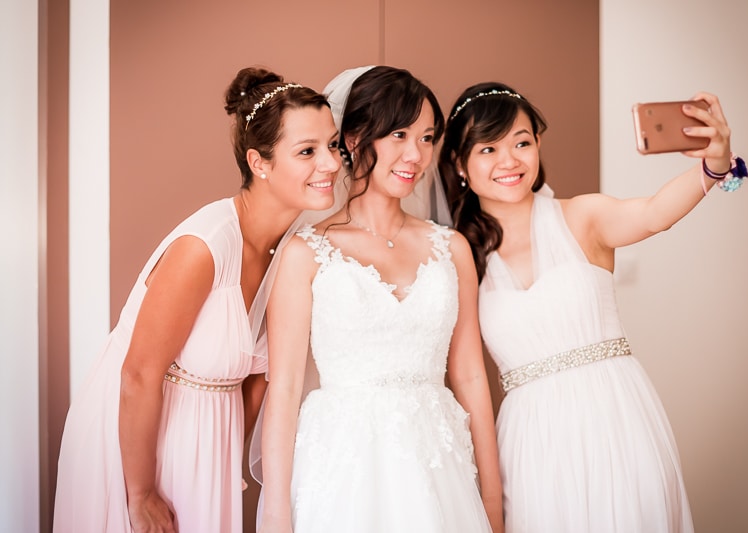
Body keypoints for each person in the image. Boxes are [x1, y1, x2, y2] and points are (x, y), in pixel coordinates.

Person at [439, 82, 747, 533]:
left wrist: (715, 165)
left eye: (522, 143)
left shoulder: (582, 217)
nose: (509, 161)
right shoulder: (459, 254)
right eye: (488, 149)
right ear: (460, 163)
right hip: (531, 438)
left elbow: (654, 213)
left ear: (538, 145)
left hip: (617, 414)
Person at [53, 67, 341, 533]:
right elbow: (139, 374)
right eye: (307, 151)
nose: (329, 163)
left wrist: (227, 456)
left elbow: (260, 378)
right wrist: (141, 494)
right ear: (259, 162)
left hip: (211, 443)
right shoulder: (205, 246)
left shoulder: (297, 246)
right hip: (136, 442)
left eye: (332, 146)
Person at [255, 66, 504, 533]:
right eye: (399, 134)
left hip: (439, 464)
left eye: (428, 137)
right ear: (352, 137)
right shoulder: (305, 253)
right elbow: (284, 388)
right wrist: (275, 512)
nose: (416, 154)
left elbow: (471, 376)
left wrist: (492, 497)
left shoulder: (451, 248)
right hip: (343, 468)